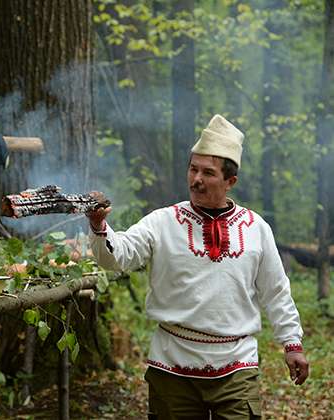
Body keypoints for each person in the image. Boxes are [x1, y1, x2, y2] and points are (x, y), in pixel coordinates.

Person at [87, 115, 309, 419]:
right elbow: (117, 256)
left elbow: (276, 291)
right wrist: (100, 226)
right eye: (193, 169)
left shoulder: (256, 227)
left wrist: (291, 342)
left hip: (236, 366)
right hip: (172, 366)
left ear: (231, 181)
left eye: (208, 172)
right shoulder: (162, 221)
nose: (196, 179)